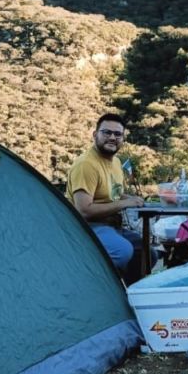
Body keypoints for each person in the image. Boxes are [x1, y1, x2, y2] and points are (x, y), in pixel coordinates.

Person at [65, 113, 145, 282]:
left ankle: (130, 298)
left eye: (117, 134)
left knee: (145, 252)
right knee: (122, 251)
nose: (112, 138)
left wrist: (132, 199)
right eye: (106, 132)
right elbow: (84, 210)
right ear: (95, 135)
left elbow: (113, 193)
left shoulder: (115, 162)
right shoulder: (87, 165)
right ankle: (89, 284)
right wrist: (125, 203)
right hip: (86, 227)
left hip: (111, 225)